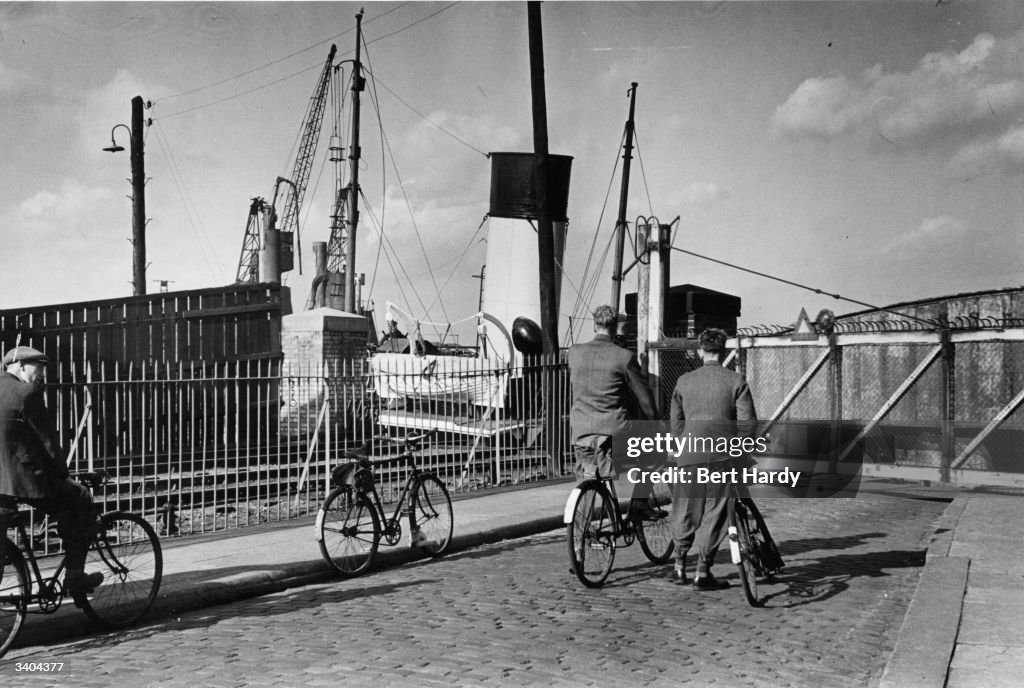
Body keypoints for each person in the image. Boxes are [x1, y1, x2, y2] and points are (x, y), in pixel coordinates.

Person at [0, 346, 102, 598]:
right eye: (39, 367)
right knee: (79, 498)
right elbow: (48, 442)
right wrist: (63, 474)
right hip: (22, 480)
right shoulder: (26, 393)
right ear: (21, 366)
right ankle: (75, 576)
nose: (43, 374)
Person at [669, 328, 757, 590]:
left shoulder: (684, 381)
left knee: (685, 508)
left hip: (689, 452)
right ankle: (703, 571)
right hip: (720, 455)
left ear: (699, 350)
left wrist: (680, 443)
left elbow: (676, 419)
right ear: (724, 350)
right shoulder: (736, 380)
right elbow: (748, 424)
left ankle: (679, 567)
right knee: (715, 510)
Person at [568, 304, 661, 519]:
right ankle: (639, 504)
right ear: (615, 328)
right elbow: (644, 397)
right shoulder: (624, 357)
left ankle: (582, 533)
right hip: (614, 433)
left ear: (594, 326)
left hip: (581, 432)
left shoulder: (574, 352)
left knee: (588, 475)